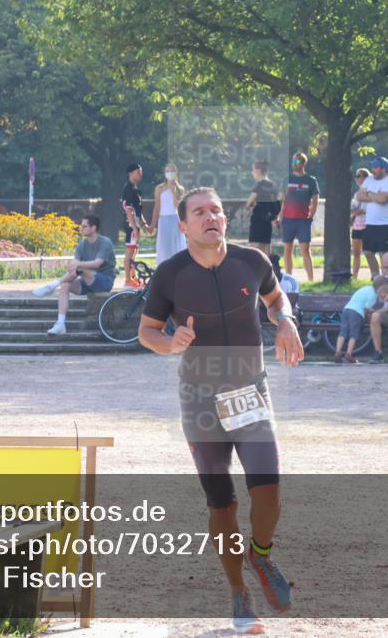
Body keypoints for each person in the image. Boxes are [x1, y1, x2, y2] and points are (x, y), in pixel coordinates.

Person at [138, 187, 304, 635]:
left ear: (225, 220)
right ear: (185, 226)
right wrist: (169, 344)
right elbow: (147, 332)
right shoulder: (170, 275)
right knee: (222, 504)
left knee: (268, 487)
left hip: (249, 392)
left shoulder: (252, 261)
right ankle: (239, 595)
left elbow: (275, 299)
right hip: (199, 399)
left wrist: (285, 320)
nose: (210, 217)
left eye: (216, 210)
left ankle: (261, 554)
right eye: (200, 212)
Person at [33, 215, 116, 335]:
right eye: (81, 226)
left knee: (80, 268)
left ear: (93, 228)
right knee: (66, 285)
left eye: (84, 226)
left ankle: (52, 285)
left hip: (104, 282)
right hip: (86, 281)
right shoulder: (82, 244)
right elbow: (74, 265)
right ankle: (60, 324)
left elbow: (97, 263)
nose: (81, 228)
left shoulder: (105, 242)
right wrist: (75, 265)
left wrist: (77, 265)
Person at [277, 152, 319, 282]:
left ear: (303, 163)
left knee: (305, 250)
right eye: (293, 162)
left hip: (303, 220)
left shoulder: (311, 180)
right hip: (288, 219)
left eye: (297, 162)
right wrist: (278, 216)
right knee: (287, 249)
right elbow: (280, 199)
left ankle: (311, 280)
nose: (294, 164)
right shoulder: (286, 179)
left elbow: (315, 199)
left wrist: (311, 215)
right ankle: (289, 278)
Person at [356, 157, 388, 277]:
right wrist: (376, 196)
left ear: (384, 169)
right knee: (367, 252)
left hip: (386, 224)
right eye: (372, 167)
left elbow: (383, 199)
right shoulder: (369, 180)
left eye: (375, 167)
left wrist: (369, 193)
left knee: (384, 254)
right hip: (370, 224)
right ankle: (376, 277)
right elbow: (359, 197)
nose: (373, 170)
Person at [333, 276, 388, 364]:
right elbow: (366, 309)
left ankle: (337, 351)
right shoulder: (373, 295)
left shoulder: (366, 288)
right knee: (354, 334)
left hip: (346, 310)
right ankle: (349, 353)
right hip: (356, 313)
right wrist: (367, 318)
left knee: (343, 332)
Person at [149, 163, 188, 265]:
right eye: (167, 171)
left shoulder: (180, 189)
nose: (170, 173)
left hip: (176, 220)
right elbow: (157, 207)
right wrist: (152, 225)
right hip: (163, 220)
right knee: (164, 247)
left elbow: (177, 207)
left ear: (176, 173)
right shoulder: (159, 188)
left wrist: (173, 191)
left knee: (177, 246)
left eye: (172, 171)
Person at [121, 163, 147, 287]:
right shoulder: (128, 189)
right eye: (138, 171)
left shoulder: (136, 190)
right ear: (130, 173)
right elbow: (129, 210)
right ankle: (127, 279)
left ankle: (133, 276)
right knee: (130, 251)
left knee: (134, 250)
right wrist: (134, 227)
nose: (140, 174)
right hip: (130, 224)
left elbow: (138, 210)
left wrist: (143, 223)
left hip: (135, 224)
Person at [245, 160, 280, 253]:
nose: (252, 172)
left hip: (257, 219)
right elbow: (277, 202)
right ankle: (268, 266)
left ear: (258, 170)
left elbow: (249, 203)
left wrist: (252, 204)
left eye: (253, 170)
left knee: (255, 247)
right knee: (266, 247)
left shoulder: (259, 185)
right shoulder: (273, 185)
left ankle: (255, 267)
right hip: (268, 221)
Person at [350, 167, 371, 279]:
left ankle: (375, 275)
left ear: (366, 178)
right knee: (356, 253)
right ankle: (354, 277)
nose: (356, 178)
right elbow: (353, 208)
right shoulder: (356, 194)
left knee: (369, 252)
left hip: (367, 226)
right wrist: (354, 211)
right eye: (356, 176)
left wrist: (361, 211)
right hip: (356, 226)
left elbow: (370, 207)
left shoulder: (371, 192)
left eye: (359, 176)